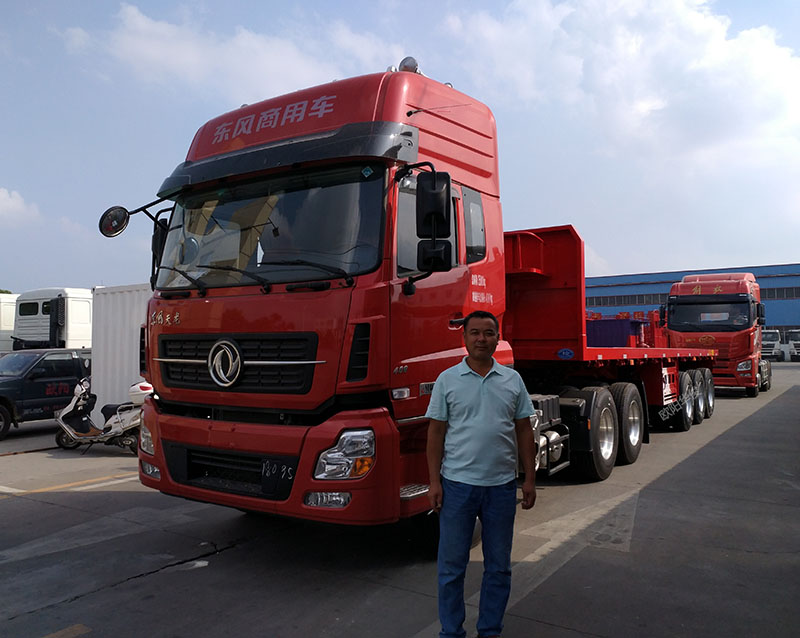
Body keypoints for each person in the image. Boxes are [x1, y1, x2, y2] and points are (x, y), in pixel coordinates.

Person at [425, 310, 537, 638]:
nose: (481, 339)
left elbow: (524, 430)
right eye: (474, 332)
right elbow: (436, 433)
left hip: (501, 487)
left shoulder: (512, 380)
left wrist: (529, 479)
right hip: (457, 486)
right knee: (451, 567)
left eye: (488, 333)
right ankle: (451, 631)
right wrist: (434, 482)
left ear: (497, 338)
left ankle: (490, 630)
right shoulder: (447, 380)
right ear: (464, 338)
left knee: (498, 567)